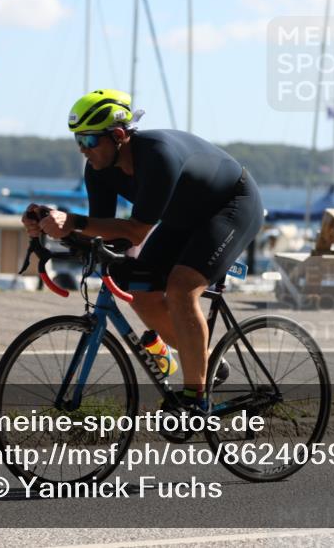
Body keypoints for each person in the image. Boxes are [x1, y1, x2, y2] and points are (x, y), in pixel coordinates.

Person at [22, 89, 263, 412]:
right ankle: (204, 363)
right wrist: (52, 228)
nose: (83, 150)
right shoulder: (97, 170)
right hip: (183, 217)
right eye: (78, 140)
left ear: (119, 135)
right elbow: (104, 231)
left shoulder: (157, 156)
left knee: (180, 288)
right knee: (141, 290)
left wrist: (74, 221)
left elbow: (135, 231)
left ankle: (195, 398)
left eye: (90, 141)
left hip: (231, 206)